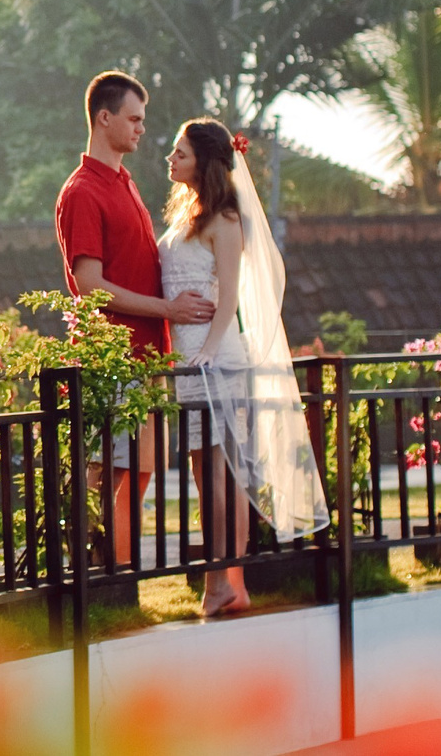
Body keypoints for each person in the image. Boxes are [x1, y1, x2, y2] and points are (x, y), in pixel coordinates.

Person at [159, 117, 330, 616]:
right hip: (192, 359)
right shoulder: (189, 213)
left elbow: (230, 293)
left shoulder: (226, 219)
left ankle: (220, 582)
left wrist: (208, 354)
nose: (169, 160)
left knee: (218, 475)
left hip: (215, 359)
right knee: (209, 472)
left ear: (205, 162)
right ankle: (233, 584)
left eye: (179, 153)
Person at [53, 70, 214, 565]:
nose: (143, 129)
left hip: (143, 357)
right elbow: (89, 285)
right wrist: (168, 309)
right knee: (106, 473)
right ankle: (98, 579)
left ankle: (118, 576)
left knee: (138, 471)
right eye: (134, 118)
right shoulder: (83, 191)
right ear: (104, 119)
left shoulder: (125, 183)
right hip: (111, 357)